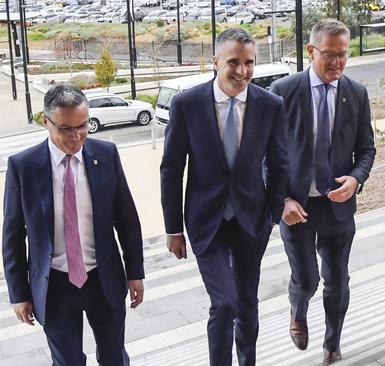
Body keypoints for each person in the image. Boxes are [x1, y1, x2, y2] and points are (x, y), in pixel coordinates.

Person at [160, 28, 289, 366]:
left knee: (247, 304)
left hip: (252, 221)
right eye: (234, 62)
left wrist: (272, 214)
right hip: (207, 222)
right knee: (225, 303)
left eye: (249, 62)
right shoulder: (186, 104)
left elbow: (280, 163)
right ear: (215, 61)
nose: (243, 71)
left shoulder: (270, 105)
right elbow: (171, 169)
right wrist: (173, 228)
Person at [2, 84, 145, 366]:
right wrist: (18, 294)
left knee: (115, 357)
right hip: (54, 285)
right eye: (66, 128)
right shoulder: (23, 167)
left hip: (103, 278)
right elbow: (13, 236)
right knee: (67, 361)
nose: (76, 135)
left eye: (82, 126)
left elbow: (127, 219)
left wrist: (135, 272)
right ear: (46, 121)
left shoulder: (106, 155)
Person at [270, 19, 376, 365]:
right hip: (296, 208)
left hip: (338, 208)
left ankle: (332, 344)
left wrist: (356, 180)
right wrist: (281, 199)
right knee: (307, 280)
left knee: (338, 282)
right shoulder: (283, 92)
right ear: (311, 51)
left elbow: (367, 150)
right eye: (329, 55)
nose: (337, 63)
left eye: (343, 55)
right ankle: (297, 310)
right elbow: (263, 154)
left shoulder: (356, 94)